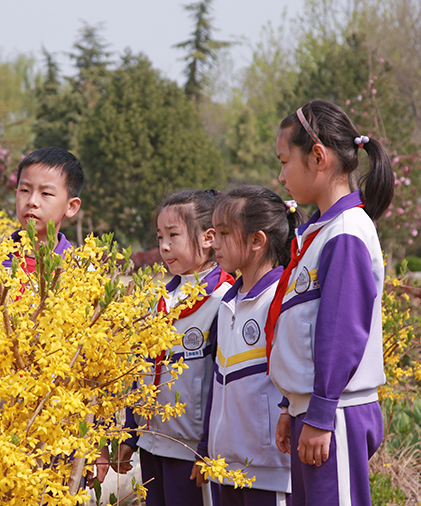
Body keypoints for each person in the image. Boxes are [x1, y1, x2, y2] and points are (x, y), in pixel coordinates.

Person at [267, 99, 394, 506]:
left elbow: (341, 332)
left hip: (335, 412)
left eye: (284, 161)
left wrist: (320, 414)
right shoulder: (320, 232)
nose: (281, 175)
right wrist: (290, 406)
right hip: (316, 410)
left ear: (317, 157)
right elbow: (301, 331)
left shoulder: (346, 232)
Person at [117, 189, 234, 506]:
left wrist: (208, 447)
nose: (164, 246)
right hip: (152, 444)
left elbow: (223, 386)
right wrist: (132, 431)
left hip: (194, 450)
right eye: (159, 237)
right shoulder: (160, 299)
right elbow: (142, 368)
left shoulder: (223, 299)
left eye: (173, 235)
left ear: (208, 238)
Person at [190, 186, 304, 506]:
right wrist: (206, 448)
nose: (215, 242)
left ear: (257, 240)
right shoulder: (228, 301)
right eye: (214, 232)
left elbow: (295, 373)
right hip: (225, 466)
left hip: (268, 468)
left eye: (224, 233)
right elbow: (217, 386)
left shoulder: (280, 298)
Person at [1, 147, 83, 272]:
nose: (32, 201)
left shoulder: (78, 269)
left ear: (71, 206)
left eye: (46, 193)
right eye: (25, 190)